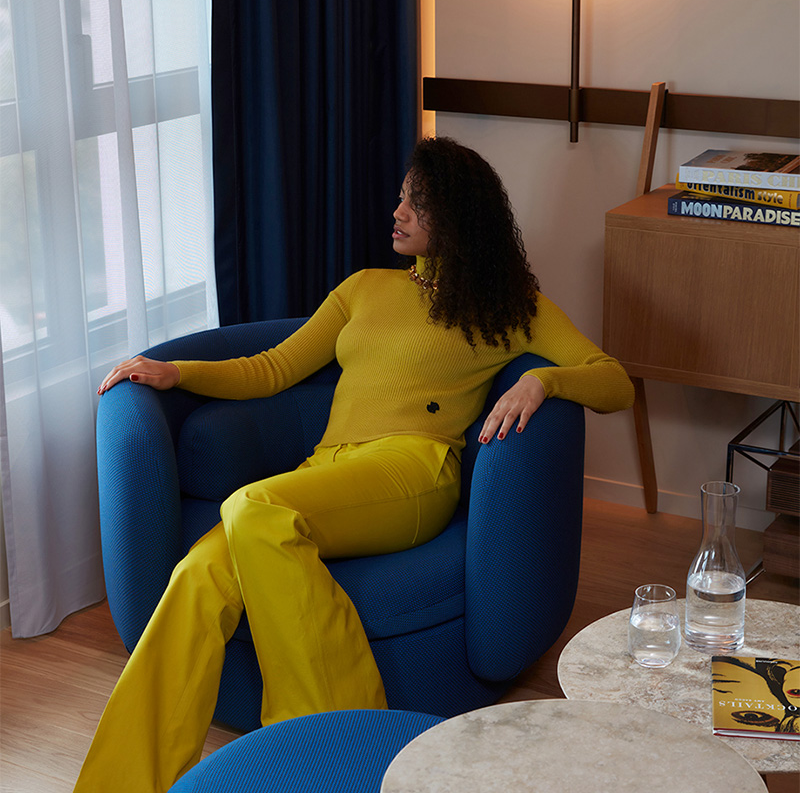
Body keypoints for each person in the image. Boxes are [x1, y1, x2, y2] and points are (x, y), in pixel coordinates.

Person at [76, 136, 634, 792]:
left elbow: (614, 381)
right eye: (401, 196)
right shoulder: (365, 288)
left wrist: (545, 383)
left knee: (251, 508)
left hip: (412, 473)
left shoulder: (511, 310)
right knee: (199, 574)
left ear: (453, 217)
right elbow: (273, 367)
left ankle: (331, 757)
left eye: (415, 202)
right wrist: (175, 372)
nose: (396, 211)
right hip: (327, 471)